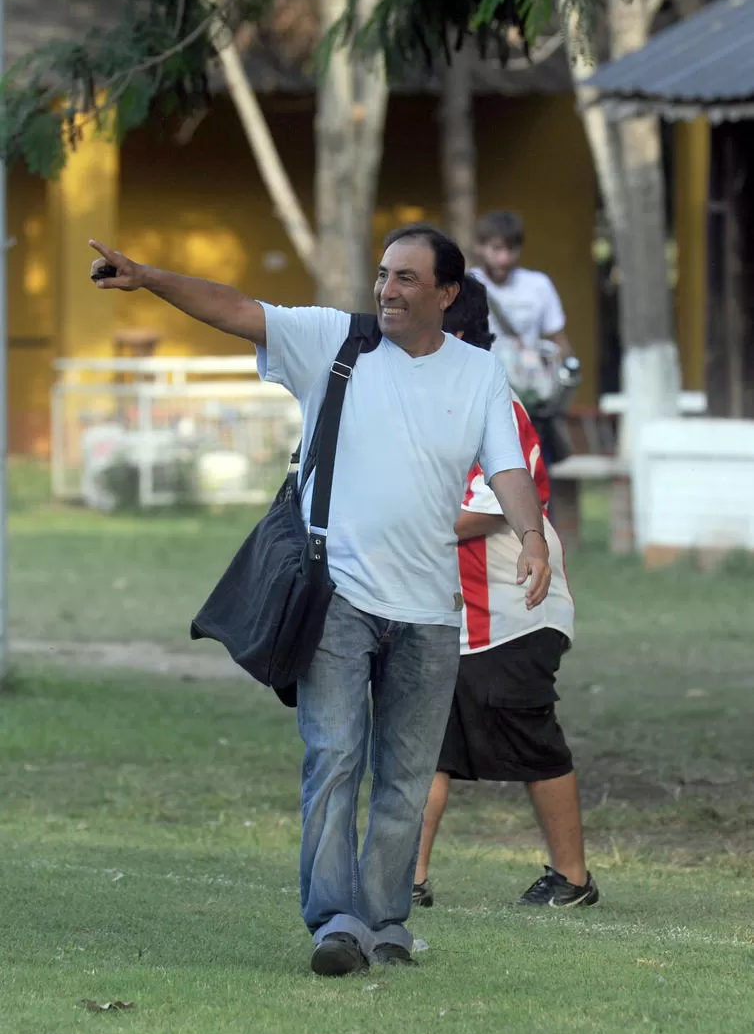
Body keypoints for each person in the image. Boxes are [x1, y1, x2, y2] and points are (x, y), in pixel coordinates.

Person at [88, 225, 552, 976]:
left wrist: (530, 537)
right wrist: (148, 276)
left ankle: (384, 918)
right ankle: (336, 921)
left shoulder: (479, 374)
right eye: (382, 274)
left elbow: (505, 467)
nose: (387, 290)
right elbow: (237, 309)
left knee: (405, 776)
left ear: (447, 294)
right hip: (335, 596)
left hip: (430, 611)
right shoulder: (335, 342)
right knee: (334, 757)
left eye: (407, 279)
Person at [412, 274, 598, 910]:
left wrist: (391, 521)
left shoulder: (497, 407)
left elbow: (488, 508)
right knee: (424, 745)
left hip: (514, 612)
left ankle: (572, 878)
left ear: (454, 331)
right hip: (446, 619)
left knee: (529, 741)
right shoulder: (417, 408)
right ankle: (405, 878)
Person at [470, 211, 575, 467]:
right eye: (496, 249)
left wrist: (565, 381)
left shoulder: (538, 285)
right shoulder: (467, 284)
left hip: (530, 403)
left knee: (536, 475)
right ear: (480, 247)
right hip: (482, 400)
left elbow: (559, 340)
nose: (504, 258)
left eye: (511, 249)